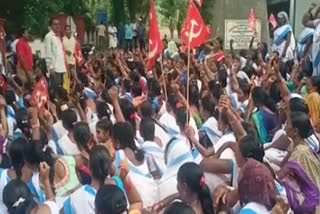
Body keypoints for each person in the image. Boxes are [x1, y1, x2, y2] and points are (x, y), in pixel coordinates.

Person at [278, 111, 320, 213]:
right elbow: (283, 164)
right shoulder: (298, 144)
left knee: (279, 188)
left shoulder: (300, 151)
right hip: (315, 193)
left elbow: (279, 175)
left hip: (310, 200)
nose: (285, 127)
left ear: (295, 131)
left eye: (288, 124)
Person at [44, 17, 68, 87]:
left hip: (61, 68)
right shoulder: (48, 37)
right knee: (56, 90)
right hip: (55, 69)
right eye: (55, 24)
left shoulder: (58, 37)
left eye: (58, 24)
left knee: (61, 89)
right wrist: (51, 68)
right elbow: (48, 53)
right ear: (51, 26)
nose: (57, 26)